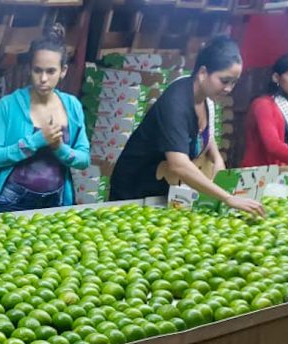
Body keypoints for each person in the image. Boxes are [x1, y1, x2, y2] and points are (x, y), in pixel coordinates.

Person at [110, 36, 264, 217]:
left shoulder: (205, 99)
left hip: (163, 191)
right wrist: (228, 198)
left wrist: (216, 158)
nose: (229, 88)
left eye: (234, 82)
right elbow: (179, 165)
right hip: (135, 190)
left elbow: (204, 133)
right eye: (224, 80)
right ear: (203, 73)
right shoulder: (175, 103)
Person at [0, 24, 90, 214]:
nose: (43, 79)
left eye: (50, 71)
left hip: (56, 201)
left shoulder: (72, 106)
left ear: (63, 71)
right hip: (11, 201)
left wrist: (60, 149)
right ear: (29, 69)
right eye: (37, 70)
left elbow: (84, 159)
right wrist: (34, 142)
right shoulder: (9, 105)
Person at [242, 54, 288, 168]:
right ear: (276, 77)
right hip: (256, 173)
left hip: (273, 172)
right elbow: (273, 145)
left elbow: (282, 143)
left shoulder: (284, 104)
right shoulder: (263, 104)